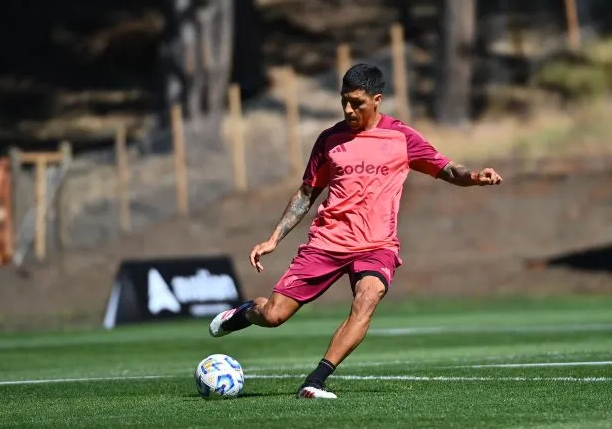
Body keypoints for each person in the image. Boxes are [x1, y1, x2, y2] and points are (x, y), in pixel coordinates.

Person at [209, 63, 502, 399]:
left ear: (377, 100)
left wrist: (474, 177)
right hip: (327, 242)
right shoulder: (329, 140)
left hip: (377, 245)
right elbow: (307, 194)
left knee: (367, 298)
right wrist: (274, 239)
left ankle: (315, 380)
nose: (349, 109)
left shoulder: (401, 137)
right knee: (274, 315)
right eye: (344, 101)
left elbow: (447, 168)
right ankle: (245, 313)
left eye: (357, 103)